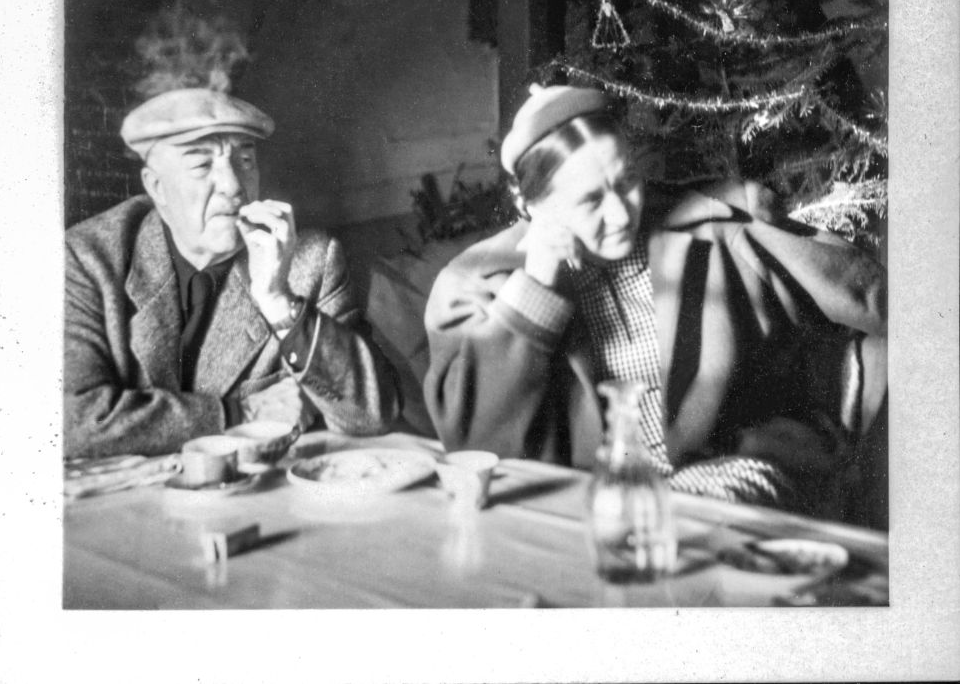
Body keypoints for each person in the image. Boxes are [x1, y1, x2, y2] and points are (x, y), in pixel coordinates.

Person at [424, 84, 887, 514]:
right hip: (577, 500)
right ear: (530, 206)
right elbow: (476, 449)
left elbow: (861, 290)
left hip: (727, 472)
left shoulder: (714, 225)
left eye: (626, 182)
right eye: (589, 201)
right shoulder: (475, 283)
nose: (620, 212)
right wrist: (536, 285)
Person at [65, 87, 401, 459]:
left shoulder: (310, 260)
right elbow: (70, 422)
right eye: (201, 166)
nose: (234, 187)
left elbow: (372, 416)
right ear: (156, 187)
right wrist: (239, 411)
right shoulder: (86, 258)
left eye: (244, 161)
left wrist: (277, 299)